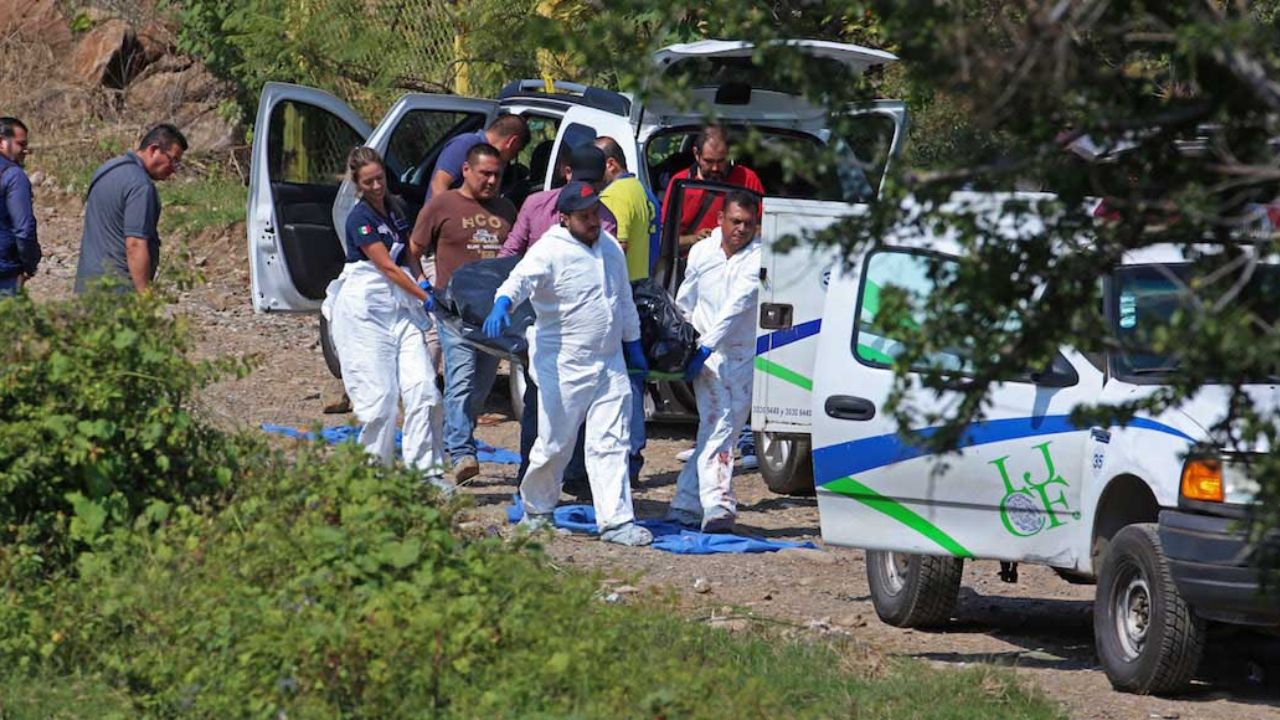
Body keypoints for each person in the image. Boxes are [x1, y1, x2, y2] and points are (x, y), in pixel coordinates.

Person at [484, 181, 652, 546]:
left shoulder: (609, 247)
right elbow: (519, 281)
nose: (593, 221)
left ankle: (616, 521)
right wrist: (502, 305)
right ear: (565, 217)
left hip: (609, 362)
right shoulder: (549, 250)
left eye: (596, 213)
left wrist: (633, 343)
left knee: (611, 441)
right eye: (585, 216)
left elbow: (622, 299)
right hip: (564, 365)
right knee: (556, 442)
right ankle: (538, 510)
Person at [323, 147, 446, 488]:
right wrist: (425, 298)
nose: (377, 186)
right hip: (366, 308)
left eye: (380, 178)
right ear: (358, 185)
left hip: (399, 306)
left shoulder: (395, 207)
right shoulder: (358, 218)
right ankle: (374, 475)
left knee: (424, 388)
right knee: (381, 401)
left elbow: (408, 254)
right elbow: (388, 267)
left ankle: (427, 472)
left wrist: (422, 280)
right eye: (369, 182)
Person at [409, 143, 517, 483]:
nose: (491, 181)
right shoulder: (442, 205)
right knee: (461, 380)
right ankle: (461, 453)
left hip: (491, 316)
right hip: (453, 313)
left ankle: (456, 442)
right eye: (484, 173)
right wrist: (423, 286)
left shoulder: (505, 209)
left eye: (497, 175)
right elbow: (412, 251)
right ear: (466, 170)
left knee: (481, 387)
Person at [667, 191, 763, 533]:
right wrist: (688, 341)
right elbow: (685, 299)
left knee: (720, 429)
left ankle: (686, 503)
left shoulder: (758, 258)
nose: (741, 229)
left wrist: (706, 346)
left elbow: (738, 305)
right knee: (719, 426)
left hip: (739, 357)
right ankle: (719, 505)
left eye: (748, 224)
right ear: (720, 219)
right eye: (735, 221)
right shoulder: (701, 252)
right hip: (705, 357)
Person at [594, 135, 662, 484]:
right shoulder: (643, 192)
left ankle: (626, 456)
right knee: (634, 377)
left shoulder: (614, 196)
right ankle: (632, 453)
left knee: (621, 382)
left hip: (624, 293)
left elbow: (614, 249)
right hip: (644, 287)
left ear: (611, 164)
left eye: (596, 164)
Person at [74, 124, 186, 293]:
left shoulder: (106, 169)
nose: (174, 170)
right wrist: (144, 295)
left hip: (87, 286)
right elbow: (135, 245)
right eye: (173, 160)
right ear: (154, 149)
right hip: (117, 292)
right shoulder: (141, 186)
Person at [500, 144, 617, 258]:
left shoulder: (606, 221)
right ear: (568, 173)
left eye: (592, 184)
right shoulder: (535, 204)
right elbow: (510, 252)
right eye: (581, 182)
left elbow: (605, 266)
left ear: (602, 182)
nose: (584, 190)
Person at [660, 125, 765, 251]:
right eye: (708, 161)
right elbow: (664, 238)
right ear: (696, 154)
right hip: (691, 264)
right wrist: (694, 239)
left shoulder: (747, 179)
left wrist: (732, 235)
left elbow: (766, 228)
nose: (715, 168)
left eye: (721, 161)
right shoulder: (681, 182)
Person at [426, 114, 530, 201]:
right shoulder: (466, 144)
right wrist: (449, 221)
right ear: (512, 142)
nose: (513, 157)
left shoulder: (496, 161)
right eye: (517, 151)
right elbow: (438, 185)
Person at [0, 118, 38, 295]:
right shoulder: (14, 176)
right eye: (21, 144)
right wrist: (29, 265)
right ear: (2, 142)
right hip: (5, 273)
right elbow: (24, 229)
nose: (25, 151)